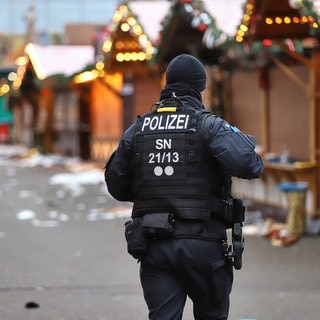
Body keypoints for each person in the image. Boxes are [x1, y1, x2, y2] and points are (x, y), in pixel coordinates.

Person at [105, 54, 263, 320]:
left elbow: (116, 185)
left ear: (168, 84)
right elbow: (250, 165)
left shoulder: (139, 128)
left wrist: (156, 189)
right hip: (203, 246)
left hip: (154, 245)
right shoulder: (208, 125)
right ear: (201, 86)